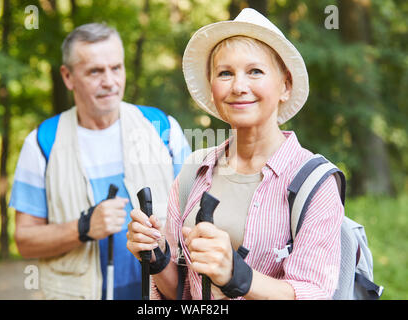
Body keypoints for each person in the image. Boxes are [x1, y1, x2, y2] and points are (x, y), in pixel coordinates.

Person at [126, 8, 344, 300]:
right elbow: (181, 292)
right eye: (225, 73)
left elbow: (314, 293)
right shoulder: (194, 171)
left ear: (285, 86)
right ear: (213, 89)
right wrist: (156, 257)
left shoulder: (314, 183)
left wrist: (237, 275)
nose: (239, 87)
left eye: (255, 71)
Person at [9, 22, 191, 300]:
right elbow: (25, 241)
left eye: (116, 68)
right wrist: (82, 228)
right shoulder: (42, 143)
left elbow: (193, 219)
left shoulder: (163, 129)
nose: (110, 81)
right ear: (68, 77)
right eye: (95, 71)